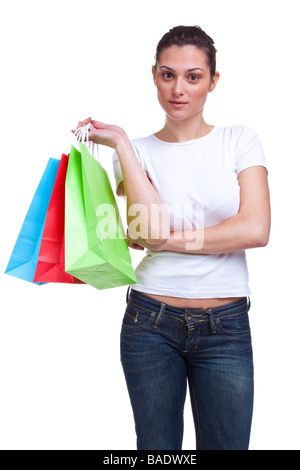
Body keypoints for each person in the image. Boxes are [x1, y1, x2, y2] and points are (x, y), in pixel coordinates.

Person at [75, 25, 271, 451]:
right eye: (168, 75)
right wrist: (123, 144)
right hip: (150, 323)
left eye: (193, 76)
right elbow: (149, 229)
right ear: (154, 76)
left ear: (213, 81)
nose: (178, 88)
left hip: (227, 326)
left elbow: (255, 230)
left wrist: (168, 241)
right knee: (156, 452)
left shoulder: (239, 141)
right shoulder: (136, 152)